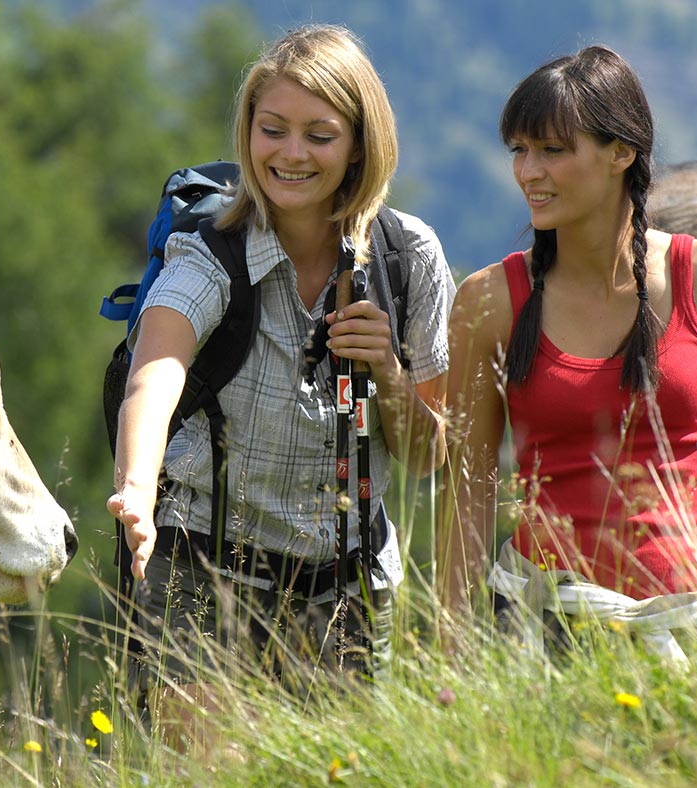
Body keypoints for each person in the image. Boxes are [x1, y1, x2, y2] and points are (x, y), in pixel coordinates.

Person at [106, 23, 454, 747]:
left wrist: (388, 374)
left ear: (360, 144)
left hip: (345, 592)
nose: (291, 154)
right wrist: (137, 486)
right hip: (201, 571)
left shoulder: (408, 259)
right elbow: (157, 367)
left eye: (319, 135)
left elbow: (429, 454)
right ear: (248, 133)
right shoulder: (209, 254)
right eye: (273, 130)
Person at [439, 45, 697, 661]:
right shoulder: (489, 301)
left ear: (621, 153)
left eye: (553, 150)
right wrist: (449, 641)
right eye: (519, 151)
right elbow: (469, 486)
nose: (528, 171)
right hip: (541, 627)